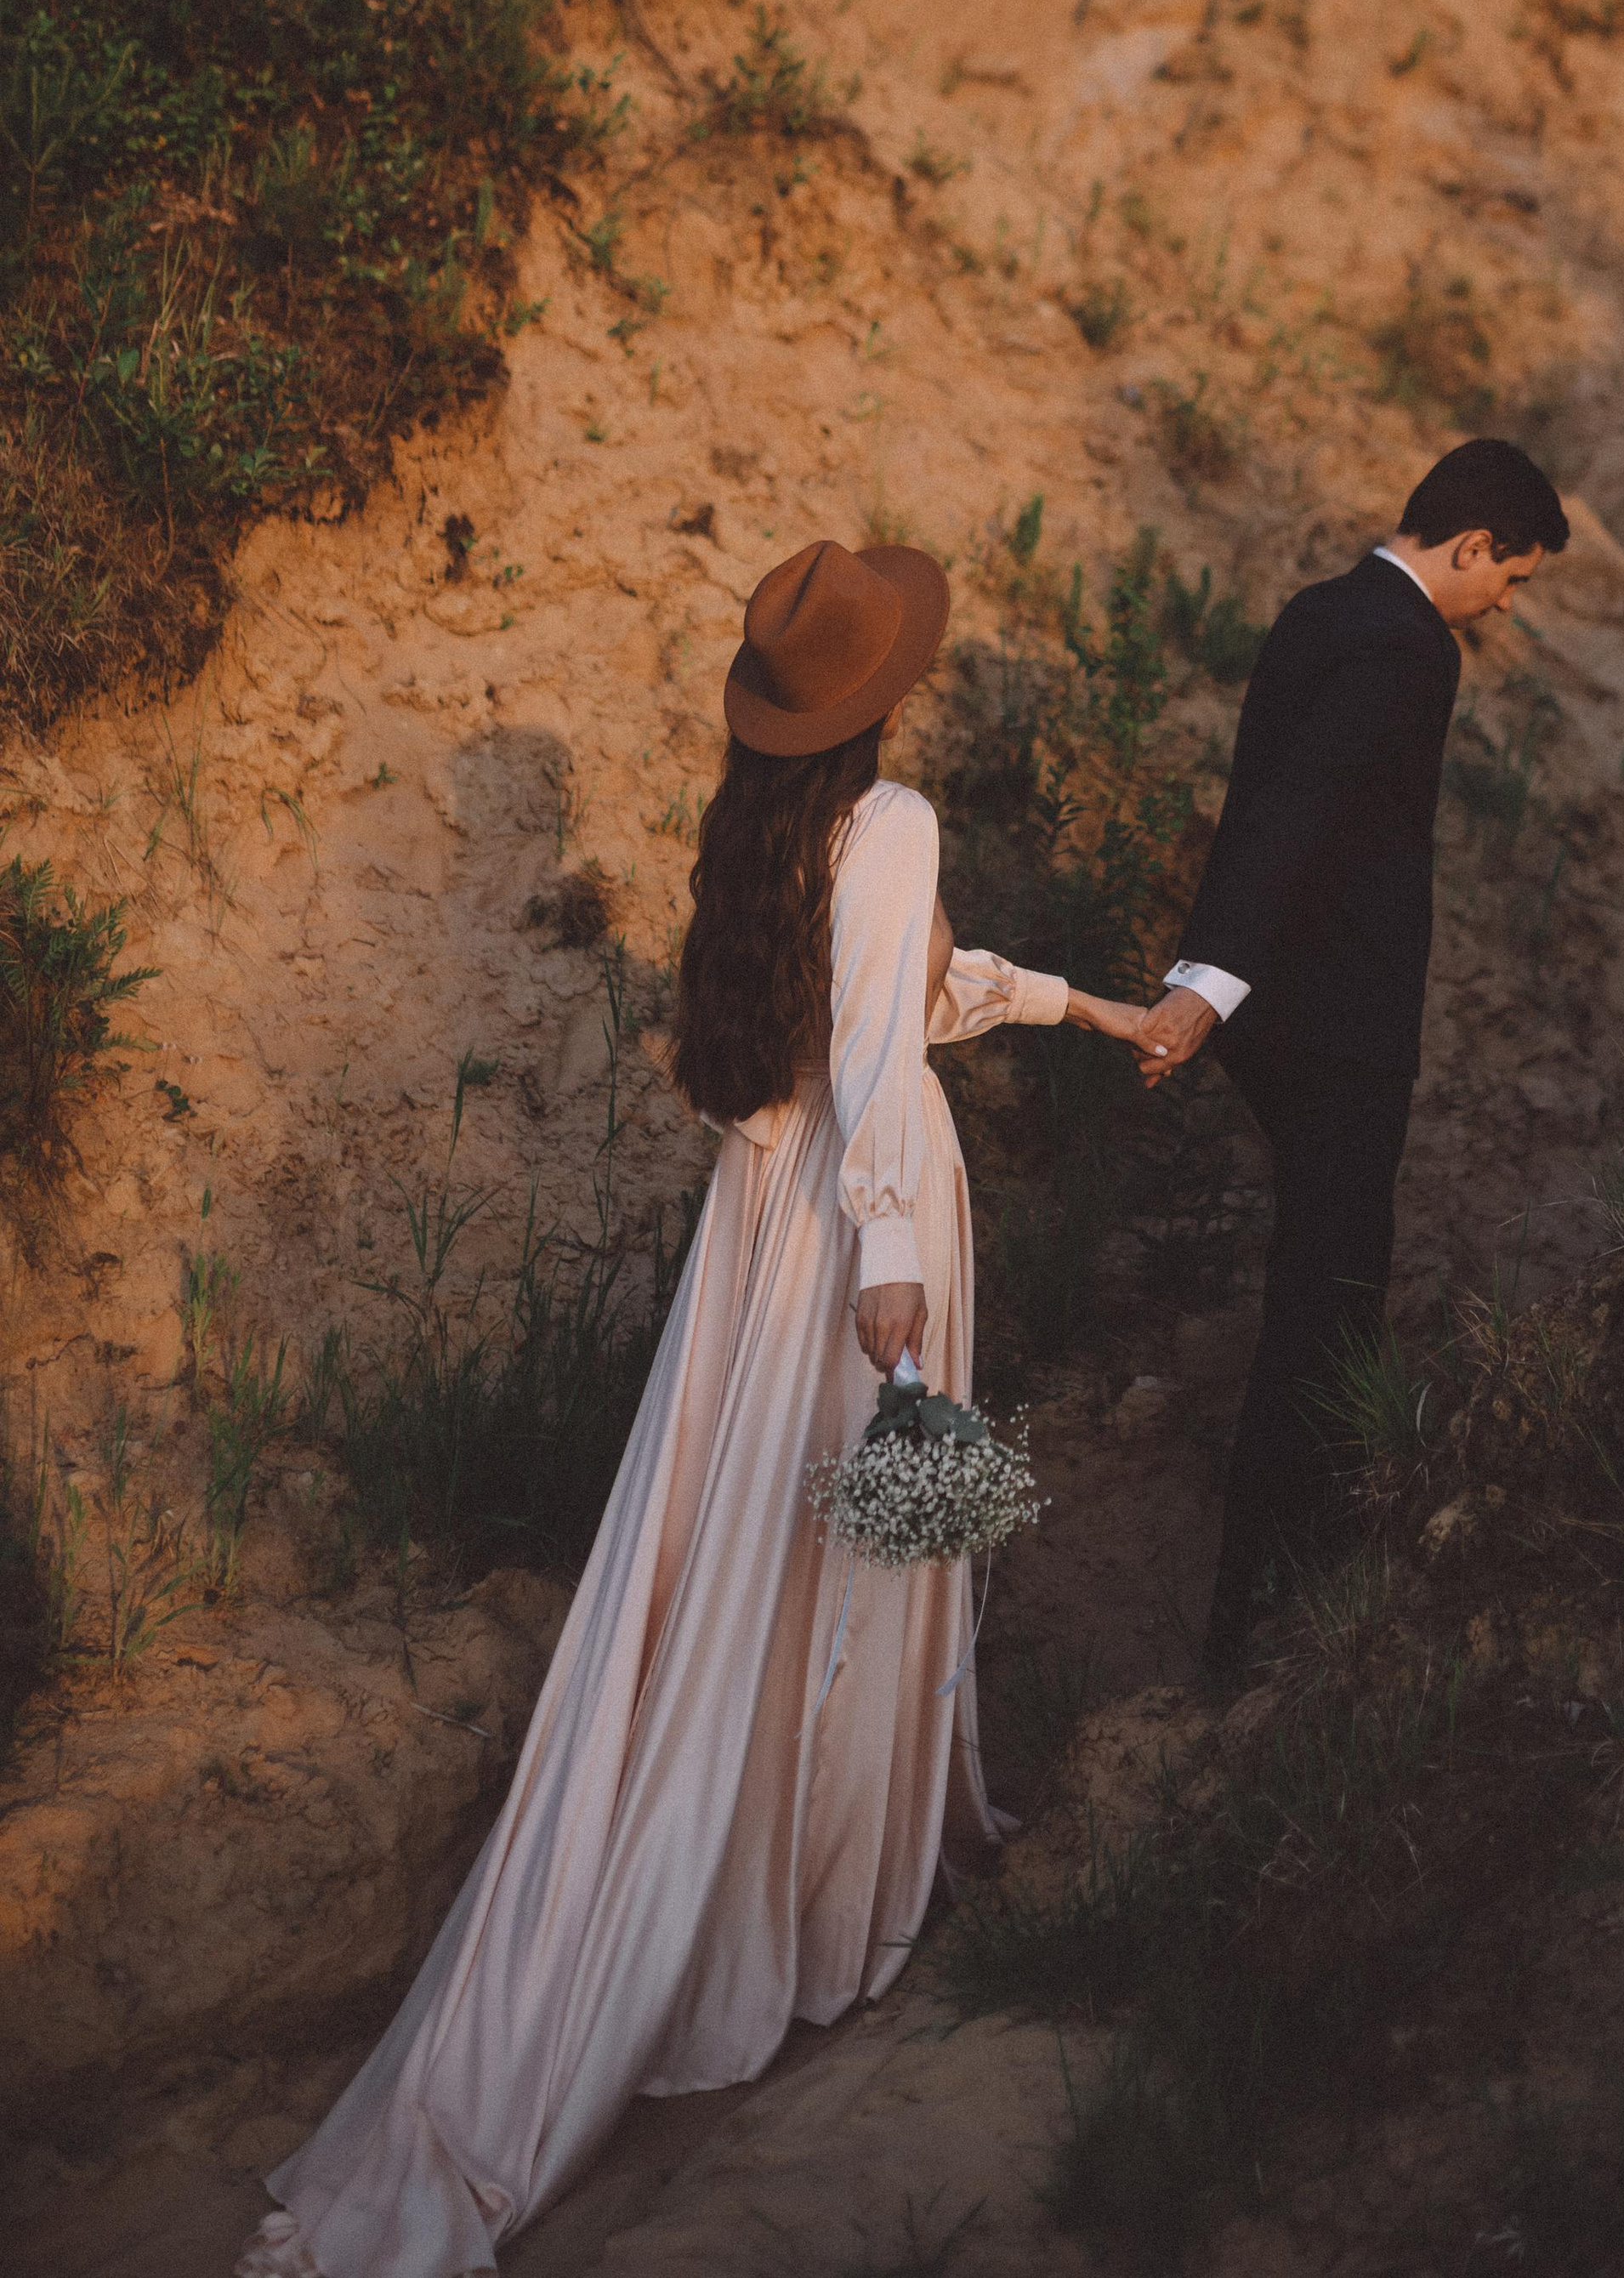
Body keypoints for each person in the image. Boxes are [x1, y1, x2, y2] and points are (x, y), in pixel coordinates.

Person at [241, 540, 1149, 2278]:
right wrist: (890, 1260)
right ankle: (789, 1915)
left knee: (741, 1556)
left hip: (760, 1228)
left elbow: (900, 993)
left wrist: (1076, 1003)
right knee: (847, 1557)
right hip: (852, 1234)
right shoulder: (888, 825)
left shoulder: (772, 828)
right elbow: (881, 1053)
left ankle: (753, 1884)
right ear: (889, 694)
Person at [1136, 439, 1570, 1678]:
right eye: (1514, 577)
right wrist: (1209, 985)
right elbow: (1304, 806)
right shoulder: (1413, 644)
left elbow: (1264, 801)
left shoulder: (1315, 612)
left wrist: (1212, 979)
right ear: (1472, 544)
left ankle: (1276, 1585)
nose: (1506, 603)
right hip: (1338, 1031)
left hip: (1276, 1017)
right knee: (1326, 1306)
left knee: (1316, 1288)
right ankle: (1269, 1612)